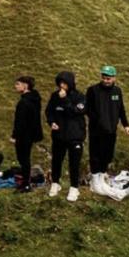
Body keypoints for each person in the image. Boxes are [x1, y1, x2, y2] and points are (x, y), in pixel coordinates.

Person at [86, 65, 129, 195]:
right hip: (97, 130)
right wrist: (98, 121)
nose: (106, 80)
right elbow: (88, 109)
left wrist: (126, 125)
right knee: (95, 154)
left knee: (107, 155)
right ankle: (94, 180)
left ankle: (102, 178)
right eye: (104, 78)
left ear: (114, 78)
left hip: (111, 129)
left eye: (109, 78)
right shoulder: (93, 90)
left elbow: (121, 110)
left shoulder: (117, 91)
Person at [45, 70, 87, 202]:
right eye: (60, 83)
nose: (62, 86)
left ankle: (74, 188)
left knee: (74, 163)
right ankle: (55, 183)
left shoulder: (80, 97)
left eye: (64, 83)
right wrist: (51, 122)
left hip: (75, 136)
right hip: (59, 135)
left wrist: (64, 99)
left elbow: (75, 111)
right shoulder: (54, 96)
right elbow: (49, 111)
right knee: (56, 160)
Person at [9, 75, 44, 193]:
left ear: (25, 85)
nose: (15, 86)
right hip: (32, 134)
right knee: (25, 159)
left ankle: (26, 184)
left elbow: (20, 122)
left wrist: (14, 136)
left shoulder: (24, 102)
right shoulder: (35, 99)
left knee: (23, 159)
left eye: (18, 84)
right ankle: (26, 182)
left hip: (24, 136)